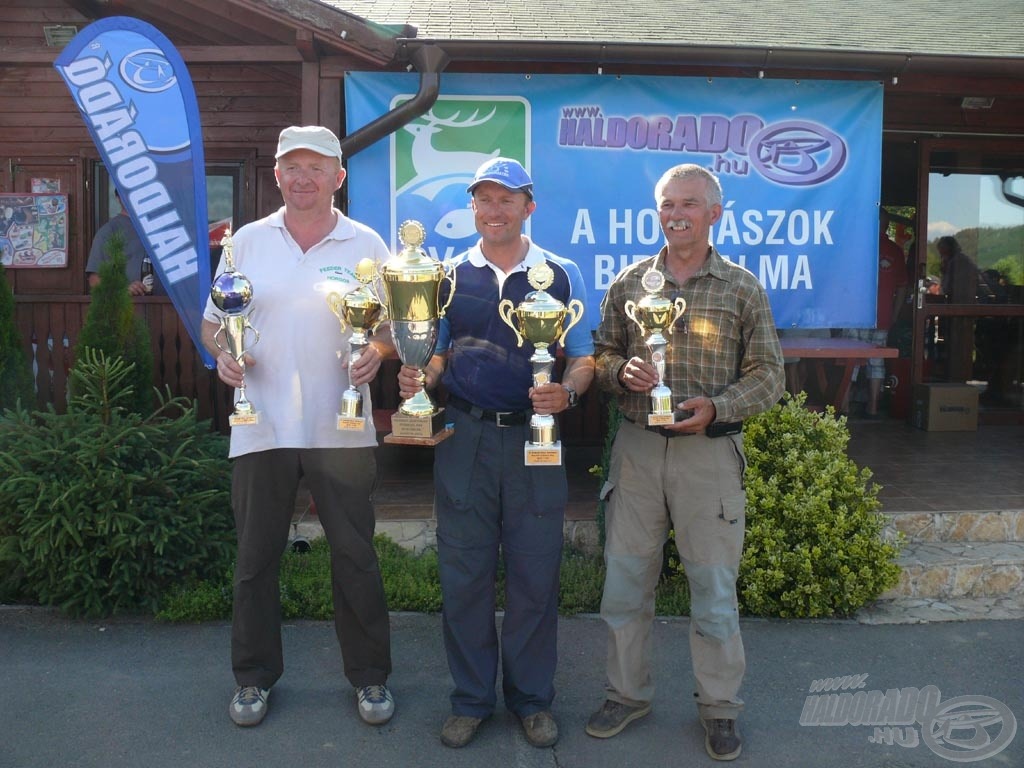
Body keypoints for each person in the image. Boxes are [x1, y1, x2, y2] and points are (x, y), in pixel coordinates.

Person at [586, 164, 783, 761]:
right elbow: (600, 357)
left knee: (714, 590)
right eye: (668, 203)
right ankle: (627, 693)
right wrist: (619, 371)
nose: (676, 214)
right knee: (624, 584)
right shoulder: (629, 283)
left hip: (710, 455)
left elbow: (770, 375)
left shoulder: (741, 287)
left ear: (714, 214)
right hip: (639, 452)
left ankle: (720, 708)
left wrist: (719, 407)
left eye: (689, 203)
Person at [396, 157, 595, 749]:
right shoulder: (450, 275)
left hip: (536, 438)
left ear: (528, 207)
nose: (494, 209)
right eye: (484, 199)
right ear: (473, 208)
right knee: (464, 573)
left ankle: (532, 700)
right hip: (466, 437)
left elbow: (582, 355)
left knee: (536, 572)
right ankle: (471, 698)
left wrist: (570, 390)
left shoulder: (561, 274)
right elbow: (438, 351)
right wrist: (421, 380)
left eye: (507, 199)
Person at [202, 125, 395, 729]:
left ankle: (369, 679)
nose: (303, 178)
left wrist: (380, 354)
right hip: (261, 425)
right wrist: (223, 355)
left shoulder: (366, 243)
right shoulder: (248, 243)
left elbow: (392, 329)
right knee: (255, 558)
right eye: (293, 168)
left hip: (340, 426)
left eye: (316, 168)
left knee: (355, 556)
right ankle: (254, 679)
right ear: (278, 176)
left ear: (338, 177)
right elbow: (215, 322)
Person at [840, 208, 909, 418]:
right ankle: (873, 408)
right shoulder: (895, 251)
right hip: (882, 315)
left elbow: (842, 282)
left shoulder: (854, 246)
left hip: (854, 315)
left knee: (850, 361)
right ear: (886, 225)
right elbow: (903, 286)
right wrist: (894, 314)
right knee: (876, 362)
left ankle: (843, 406)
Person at [86, 189, 162, 296]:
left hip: (173, 306)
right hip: (131, 307)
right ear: (118, 198)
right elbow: (94, 280)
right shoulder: (108, 231)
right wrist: (123, 290)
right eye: (126, 193)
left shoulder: (162, 225)